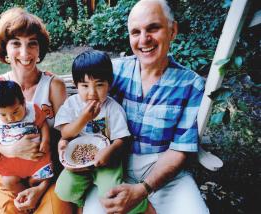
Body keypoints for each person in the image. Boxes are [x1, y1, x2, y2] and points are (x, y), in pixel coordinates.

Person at [83, 0, 210, 213]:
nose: (144, 39)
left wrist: (142, 190)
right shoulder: (113, 73)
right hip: (115, 166)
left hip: (166, 173)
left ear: (173, 30)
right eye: (135, 32)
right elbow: (88, 112)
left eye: (153, 28)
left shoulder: (191, 84)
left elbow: (179, 150)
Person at [0, 7, 72, 213]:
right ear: (5, 49)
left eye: (32, 43)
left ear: (39, 49)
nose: (25, 53)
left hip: (47, 174)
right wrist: (10, 150)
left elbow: (65, 138)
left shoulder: (53, 86)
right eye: (16, 43)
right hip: (9, 177)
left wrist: (41, 189)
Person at [54, 50, 151, 213]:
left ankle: (142, 205)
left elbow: (122, 139)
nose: (92, 93)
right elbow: (66, 134)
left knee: (112, 196)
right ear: (76, 85)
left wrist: (109, 152)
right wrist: (83, 118)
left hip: (108, 162)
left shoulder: (112, 108)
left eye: (99, 85)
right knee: (63, 190)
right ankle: (81, 199)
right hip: (78, 162)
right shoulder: (72, 105)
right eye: (85, 86)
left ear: (109, 84)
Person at [0, 80, 53, 196]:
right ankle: (22, 195)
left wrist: (46, 141)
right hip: (10, 161)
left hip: (36, 156)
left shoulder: (33, 111)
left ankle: (34, 183)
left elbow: (43, 124)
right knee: (8, 182)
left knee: (45, 174)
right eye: (3, 114)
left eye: (15, 111)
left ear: (24, 103)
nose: (10, 118)